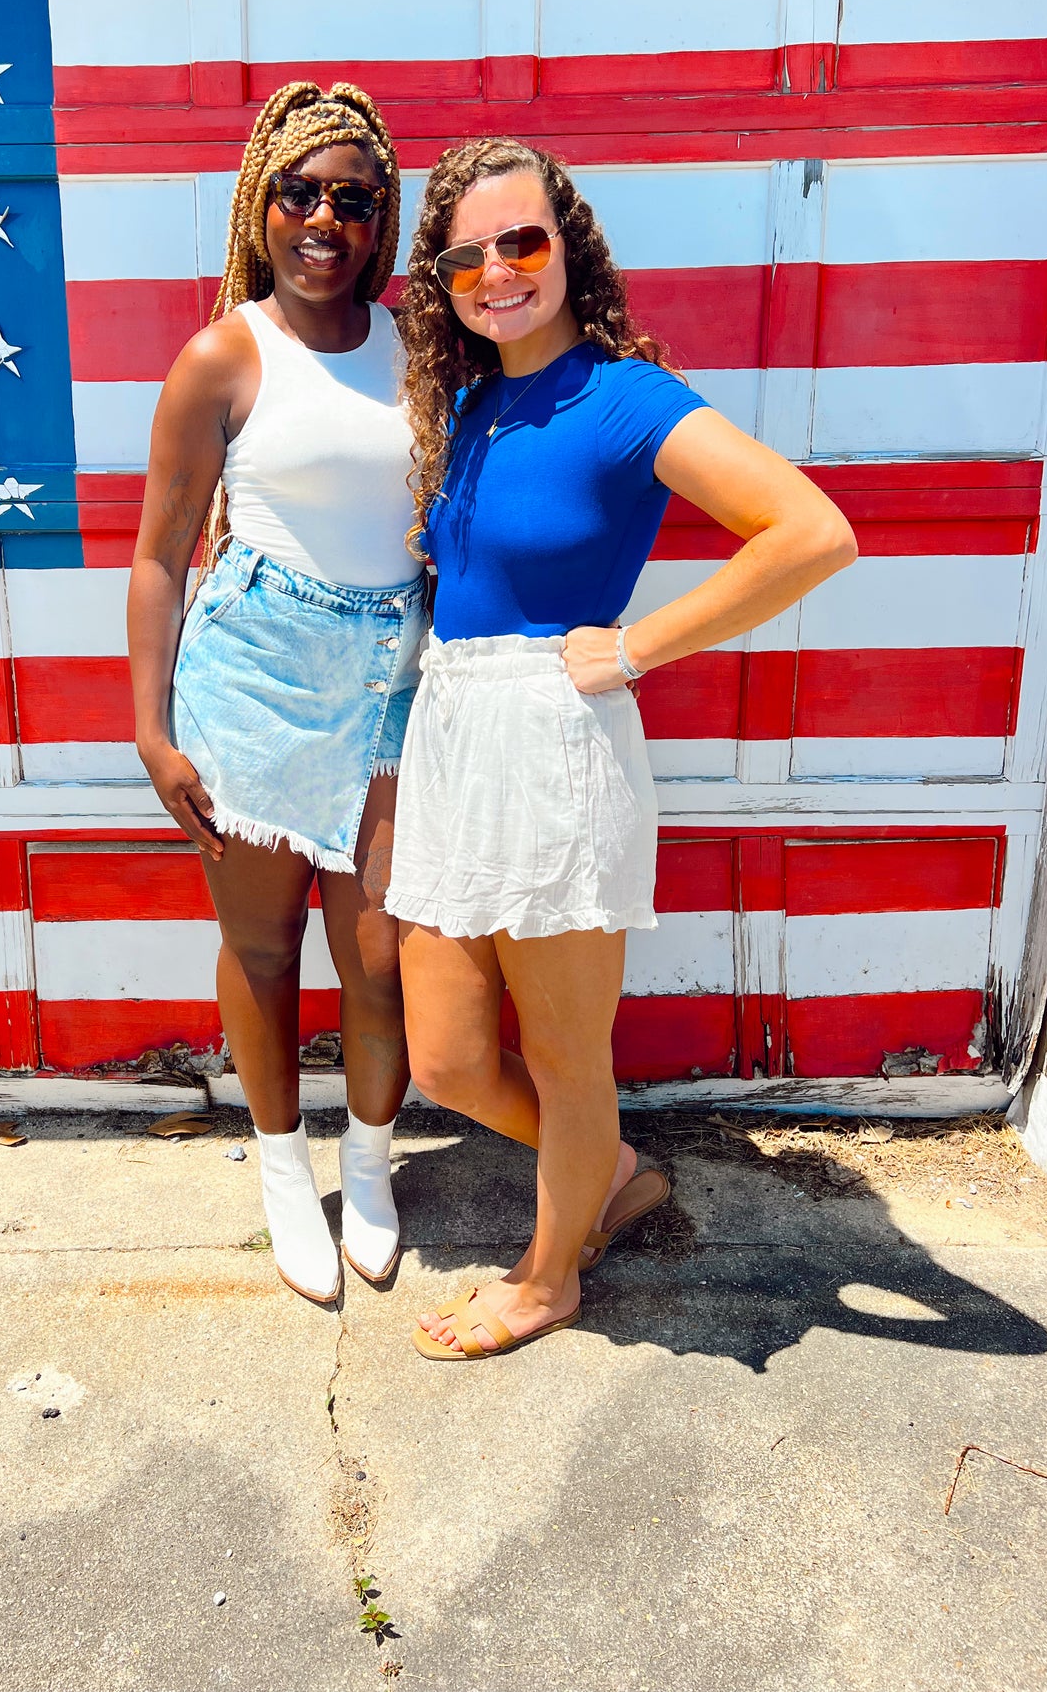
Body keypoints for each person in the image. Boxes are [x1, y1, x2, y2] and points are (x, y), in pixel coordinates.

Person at [387, 139, 858, 1360]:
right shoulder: (476, 400)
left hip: (550, 740)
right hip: (453, 735)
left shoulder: (624, 397)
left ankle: (550, 1275)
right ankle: (612, 1171)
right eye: (466, 256)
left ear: (567, 245)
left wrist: (637, 645)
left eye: (522, 242)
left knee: (561, 1049)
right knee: (441, 1055)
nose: (497, 272)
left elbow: (808, 532)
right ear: (440, 280)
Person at [127, 82, 425, 1305]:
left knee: (379, 955)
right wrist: (150, 733)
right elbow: (157, 555)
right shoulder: (222, 355)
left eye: (351, 199)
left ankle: (367, 1160)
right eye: (298, 192)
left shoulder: (424, 348)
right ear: (260, 205)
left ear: (380, 218)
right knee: (259, 951)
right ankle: (279, 1168)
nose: (323, 219)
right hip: (250, 686)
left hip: (388, 689)